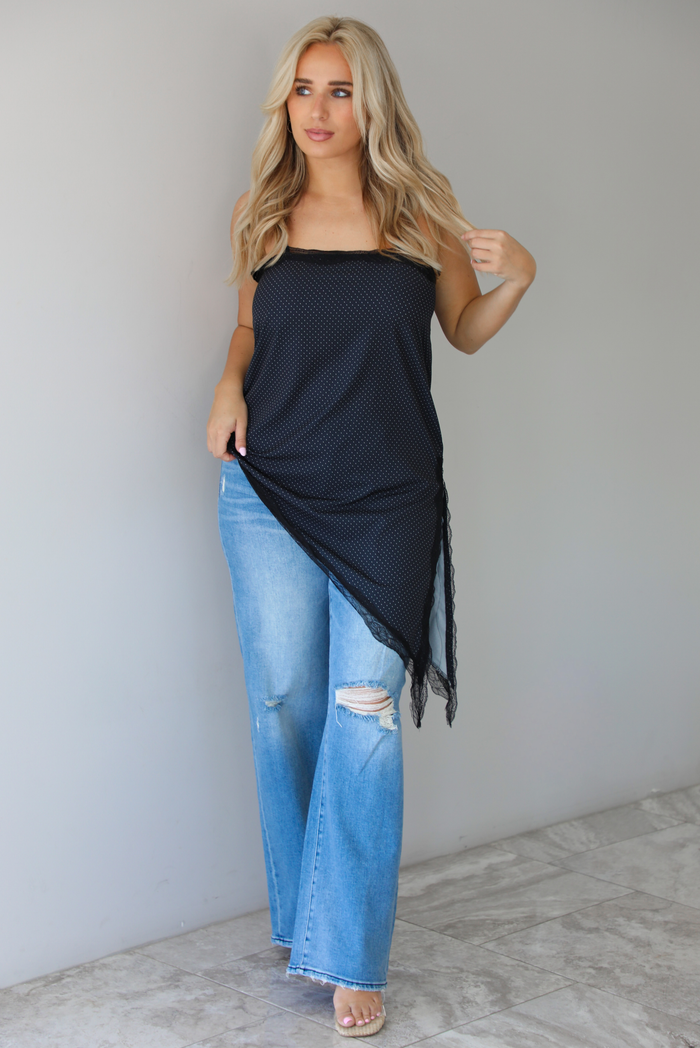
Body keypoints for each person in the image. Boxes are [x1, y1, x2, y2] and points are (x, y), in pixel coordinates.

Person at [207, 15, 536, 1037]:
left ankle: (350, 953)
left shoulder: (420, 216)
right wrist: (226, 383)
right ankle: (310, 917)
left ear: (371, 103)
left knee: (366, 714)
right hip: (269, 491)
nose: (316, 110)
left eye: (339, 91)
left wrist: (516, 276)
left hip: (389, 499)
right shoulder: (262, 213)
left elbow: (464, 331)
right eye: (304, 90)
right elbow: (253, 326)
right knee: (282, 705)